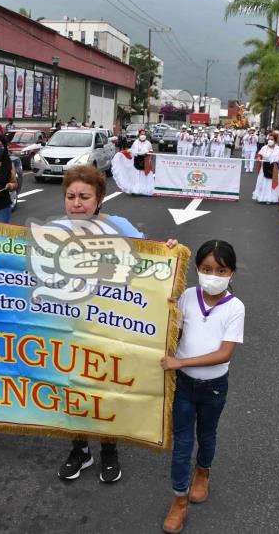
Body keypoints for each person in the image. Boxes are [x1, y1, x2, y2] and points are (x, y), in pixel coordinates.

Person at [56, 165, 177, 484]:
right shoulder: (52, 229)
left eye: (84, 196)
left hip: (110, 326)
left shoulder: (118, 226)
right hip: (68, 326)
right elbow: (9, 252)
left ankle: (110, 450)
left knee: (107, 388)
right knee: (74, 389)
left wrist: (167, 252)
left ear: (99, 200)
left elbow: (148, 261)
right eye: (70, 196)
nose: (77, 203)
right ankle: (79, 449)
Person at [160, 240, 244, 534]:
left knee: (206, 435)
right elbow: (173, 327)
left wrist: (180, 362)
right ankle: (179, 501)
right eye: (206, 269)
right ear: (197, 268)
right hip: (184, 386)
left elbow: (225, 353)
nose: (213, 275)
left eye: (221, 270)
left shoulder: (235, 308)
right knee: (182, 444)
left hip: (214, 388)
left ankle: (203, 472)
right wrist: (167, 254)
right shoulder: (185, 296)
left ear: (231, 273)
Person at [111, 129, 154, 195]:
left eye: (144, 134)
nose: (143, 135)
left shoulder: (148, 143)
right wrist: (123, 153)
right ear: (139, 135)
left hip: (145, 162)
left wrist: (147, 154)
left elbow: (151, 152)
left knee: (144, 176)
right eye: (141, 134)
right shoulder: (135, 142)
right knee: (137, 176)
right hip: (136, 161)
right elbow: (131, 151)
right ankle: (136, 189)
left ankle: (145, 190)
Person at [252, 132, 279, 204]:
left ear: (275, 141)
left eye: (272, 139)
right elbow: (259, 154)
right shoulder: (264, 147)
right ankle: (261, 197)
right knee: (262, 182)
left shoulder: (278, 149)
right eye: (269, 139)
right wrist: (258, 157)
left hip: (273, 170)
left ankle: (270, 198)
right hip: (263, 169)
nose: (270, 141)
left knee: (270, 183)